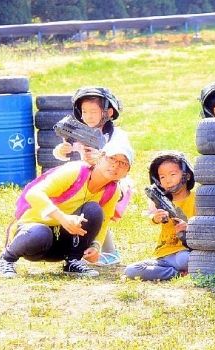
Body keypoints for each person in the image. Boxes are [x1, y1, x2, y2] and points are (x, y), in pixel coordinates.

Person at [0, 142, 134, 278]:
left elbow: (104, 222)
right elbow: (34, 193)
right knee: (41, 233)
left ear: (127, 171)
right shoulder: (75, 171)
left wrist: (96, 246)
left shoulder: (113, 191)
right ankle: (6, 259)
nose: (116, 165)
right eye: (112, 158)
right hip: (34, 236)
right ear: (100, 158)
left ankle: (73, 261)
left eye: (123, 163)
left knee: (94, 210)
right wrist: (62, 218)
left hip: (61, 245)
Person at [53, 87, 131, 266]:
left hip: (114, 181)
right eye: (84, 111)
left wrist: (101, 157)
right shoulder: (81, 134)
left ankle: (109, 251)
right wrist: (62, 151)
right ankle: (79, 249)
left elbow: (125, 159)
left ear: (108, 112)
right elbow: (61, 153)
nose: (88, 116)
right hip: (88, 181)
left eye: (94, 111)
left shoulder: (117, 135)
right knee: (84, 210)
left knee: (101, 211)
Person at [124, 152, 196, 281]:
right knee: (131, 270)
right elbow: (152, 217)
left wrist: (189, 226)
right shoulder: (162, 202)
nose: (168, 180)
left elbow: (208, 225)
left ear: (187, 175)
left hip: (186, 252)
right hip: (164, 256)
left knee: (185, 259)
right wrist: (155, 217)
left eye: (173, 174)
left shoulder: (196, 199)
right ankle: (175, 274)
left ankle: (180, 269)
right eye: (162, 177)